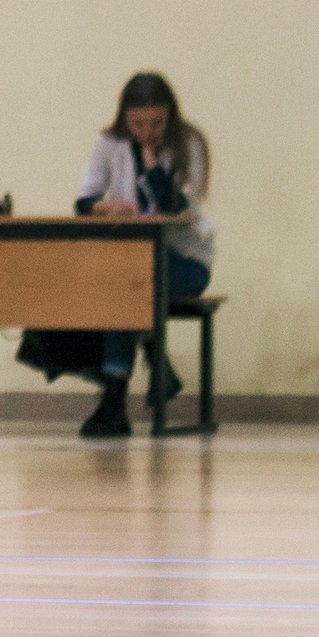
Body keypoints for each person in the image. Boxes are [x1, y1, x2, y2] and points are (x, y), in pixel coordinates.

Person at [73, 71, 214, 438]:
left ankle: (115, 397)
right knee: (122, 282)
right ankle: (153, 367)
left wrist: (151, 161)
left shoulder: (189, 144)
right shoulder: (108, 142)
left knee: (132, 287)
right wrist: (105, 208)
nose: (146, 132)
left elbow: (174, 206)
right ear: (124, 118)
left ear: (171, 117)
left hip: (185, 259)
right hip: (133, 259)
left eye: (156, 124)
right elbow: (84, 198)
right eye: (137, 124)